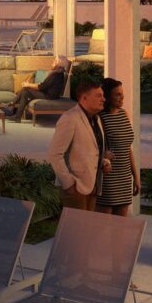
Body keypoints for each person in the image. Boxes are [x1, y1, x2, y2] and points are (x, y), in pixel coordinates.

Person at [46, 77, 108, 211]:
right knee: (76, 225)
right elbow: (54, 154)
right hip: (76, 188)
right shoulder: (70, 118)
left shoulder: (96, 119)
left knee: (88, 224)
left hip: (93, 185)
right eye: (98, 95)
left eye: (103, 95)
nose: (103, 99)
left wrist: (103, 161)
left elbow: (89, 149)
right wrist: (68, 184)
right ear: (84, 98)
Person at [95, 77, 138, 215]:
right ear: (107, 97)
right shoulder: (100, 117)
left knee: (121, 223)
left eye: (122, 93)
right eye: (118, 94)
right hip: (108, 176)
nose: (122, 97)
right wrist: (103, 155)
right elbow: (92, 146)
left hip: (125, 177)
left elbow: (128, 148)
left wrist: (136, 177)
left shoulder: (124, 114)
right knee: (104, 223)